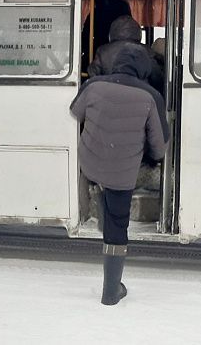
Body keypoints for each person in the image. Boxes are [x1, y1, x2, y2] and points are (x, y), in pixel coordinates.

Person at [70, 44, 169, 306]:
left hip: (91, 163)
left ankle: (96, 203)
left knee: (101, 183)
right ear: (144, 69)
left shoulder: (93, 85)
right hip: (122, 172)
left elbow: (75, 112)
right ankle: (111, 291)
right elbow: (159, 149)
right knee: (117, 224)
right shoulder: (150, 96)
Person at [88, 15, 165, 97]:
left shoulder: (102, 51)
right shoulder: (147, 51)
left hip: (109, 97)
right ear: (138, 32)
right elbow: (157, 79)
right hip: (139, 98)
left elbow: (93, 75)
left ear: (112, 31)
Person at [80, 0, 131, 74]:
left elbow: (86, 36)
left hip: (95, 54)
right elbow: (129, 31)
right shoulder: (124, 10)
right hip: (120, 55)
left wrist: (85, 50)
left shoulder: (96, 11)